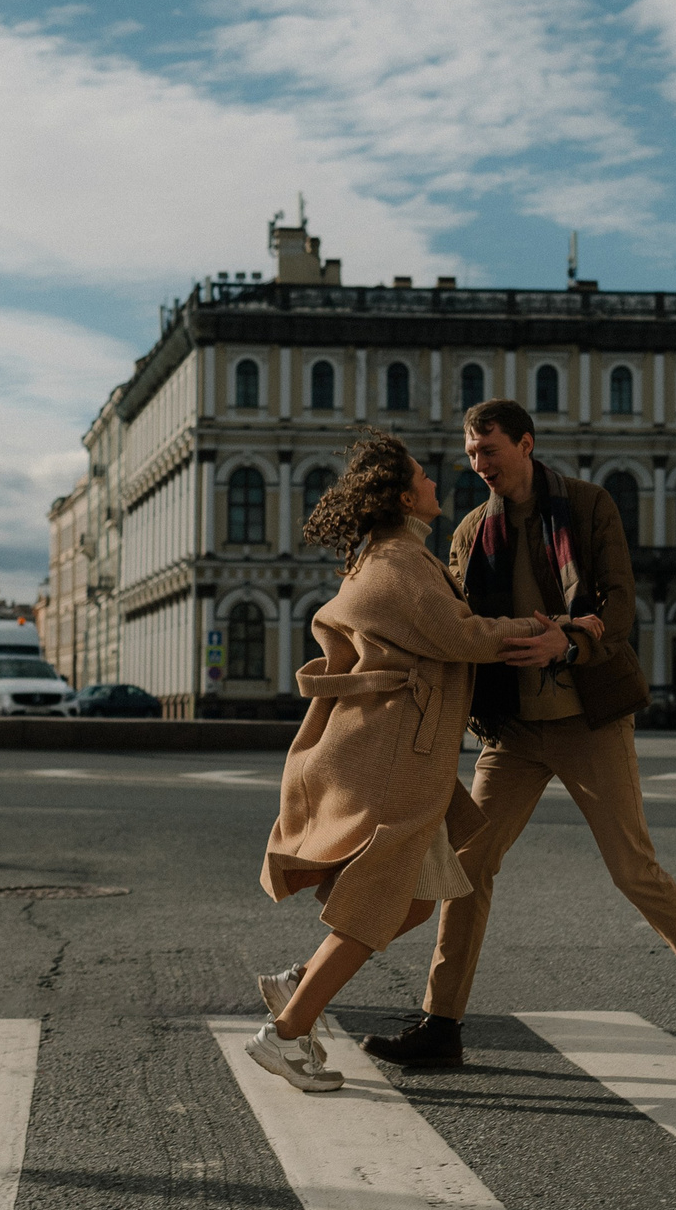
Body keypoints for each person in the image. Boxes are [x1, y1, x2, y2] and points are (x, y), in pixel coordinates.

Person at [362, 398, 676, 1077]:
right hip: (513, 732)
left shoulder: (587, 505)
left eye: (489, 450)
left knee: (634, 870)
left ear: (525, 443)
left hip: (588, 720)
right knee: (467, 866)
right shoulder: (468, 532)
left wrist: (570, 638)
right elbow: (453, 620)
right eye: (470, 453)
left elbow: (618, 601)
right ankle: (442, 1022)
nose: (478, 464)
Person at [245, 430, 578, 1092]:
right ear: (404, 496)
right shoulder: (397, 565)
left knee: (420, 900)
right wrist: (542, 632)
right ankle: (285, 1035)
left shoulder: (397, 558)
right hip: (398, 757)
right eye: (424, 477)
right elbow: (460, 634)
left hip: (401, 750)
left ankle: (302, 982)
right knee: (376, 904)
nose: (436, 483)